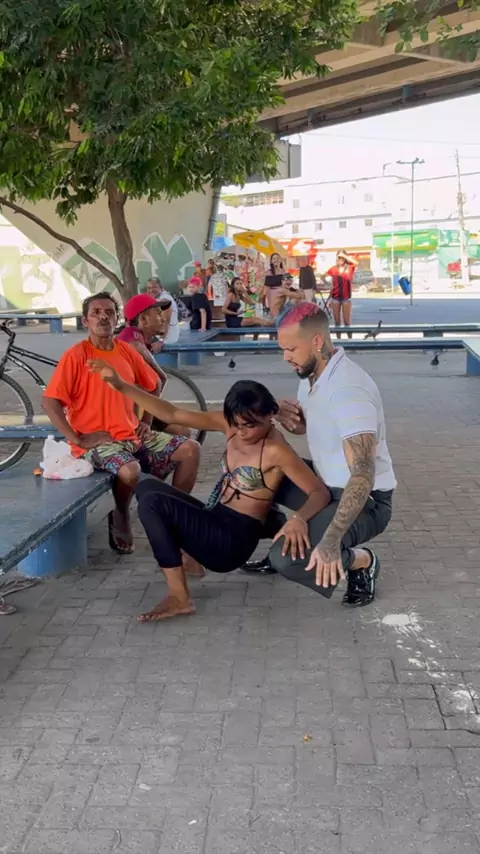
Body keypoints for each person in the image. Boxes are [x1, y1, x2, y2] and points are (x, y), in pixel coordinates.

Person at [86, 363, 332, 621]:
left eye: (250, 425)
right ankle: (191, 560)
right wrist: (121, 386)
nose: (241, 432)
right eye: (236, 423)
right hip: (216, 516)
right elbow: (172, 413)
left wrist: (298, 520)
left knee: (153, 504)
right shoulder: (230, 424)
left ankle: (180, 598)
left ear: (271, 415)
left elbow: (319, 493)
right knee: (147, 487)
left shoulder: (276, 451)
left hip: (232, 543)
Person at [241, 302, 396, 608]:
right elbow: (318, 428)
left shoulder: (348, 391)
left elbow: (363, 475)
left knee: (287, 560)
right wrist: (295, 421)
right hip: (326, 483)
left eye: (290, 349)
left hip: (366, 499)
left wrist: (330, 541)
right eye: (283, 349)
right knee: (254, 471)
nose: (285, 357)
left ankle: (362, 562)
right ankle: (287, 536)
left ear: (316, 341)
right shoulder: (314, 373)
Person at [42, 292, 200, 555]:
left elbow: (153, 384)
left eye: (109, 312)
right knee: (130, 470)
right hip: (98, 441)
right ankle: (121, 512)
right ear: (86, 321)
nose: (103, 317)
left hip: (132, 434)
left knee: (191, 449)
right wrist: (77, 438)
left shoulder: (126, 350)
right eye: (96, 313)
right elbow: (50, 401)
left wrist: (146, 420)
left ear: (117, 319)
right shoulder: (77, 355)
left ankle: (175, 515)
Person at [116, 294, 190, 439]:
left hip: (136, 406)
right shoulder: (134, 342)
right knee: (182, 433)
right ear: (143, 319)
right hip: (126, 414)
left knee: (182, 430)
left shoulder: (134, 337)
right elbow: (160, 379)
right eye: (158, 314)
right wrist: (146, 421)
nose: (163, 319)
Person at [323, 250, 358, 338]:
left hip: (346, 297)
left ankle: (350, 340)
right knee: (337, 321)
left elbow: (356, 263)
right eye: (339, 257)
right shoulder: (333, 268)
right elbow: (323, 276)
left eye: (342, 257)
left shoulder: (350, 267)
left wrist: (344, 255)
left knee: (347, 321)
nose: (341, 259)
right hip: (335, 296)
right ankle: (339, 340)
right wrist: (328, 284)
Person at [146, 277, 180, 344]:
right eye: (149, 288)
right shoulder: (158, 298)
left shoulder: (164, 299)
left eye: (154, 287)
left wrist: (160, 341)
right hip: (162, 336)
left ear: (161, 288)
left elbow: (165, 321)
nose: (151, 290)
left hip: (167, 338)